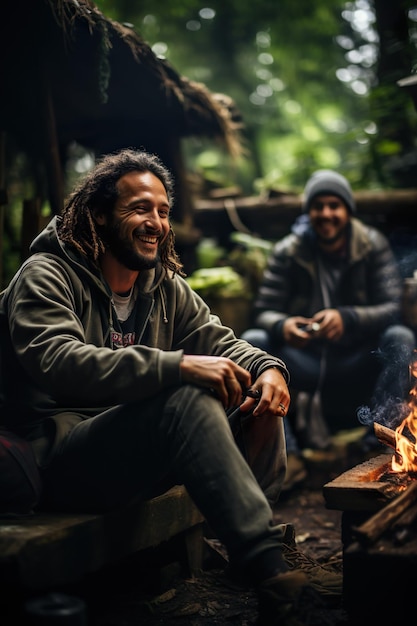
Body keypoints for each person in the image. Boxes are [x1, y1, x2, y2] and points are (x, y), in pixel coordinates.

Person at [0, 148, 335, 625]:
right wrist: (175, 367)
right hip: (61, 457)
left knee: (256, 396)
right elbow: (58, 360)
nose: (154, 221)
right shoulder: (46, 275)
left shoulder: (162, 285)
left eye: (162, 211)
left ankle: (254, 551)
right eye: (139, 208)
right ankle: (273, 573)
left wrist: (267, 368)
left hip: (134, 450)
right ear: (98, 215)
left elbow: (220, 342)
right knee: (185, 398)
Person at [241, 169, 415, 491]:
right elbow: (262, 311)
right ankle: (287, 456)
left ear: (348, 210)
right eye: (318, 206)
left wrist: (347, 318)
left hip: (356, 359)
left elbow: (392, 309)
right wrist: (283, 325)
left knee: (401, 339)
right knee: (253, 341)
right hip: (302, 360)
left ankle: (377, 447)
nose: (326, 214)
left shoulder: (371, 245)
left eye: (334, 205)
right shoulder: (288, 251)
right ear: (309, 212)